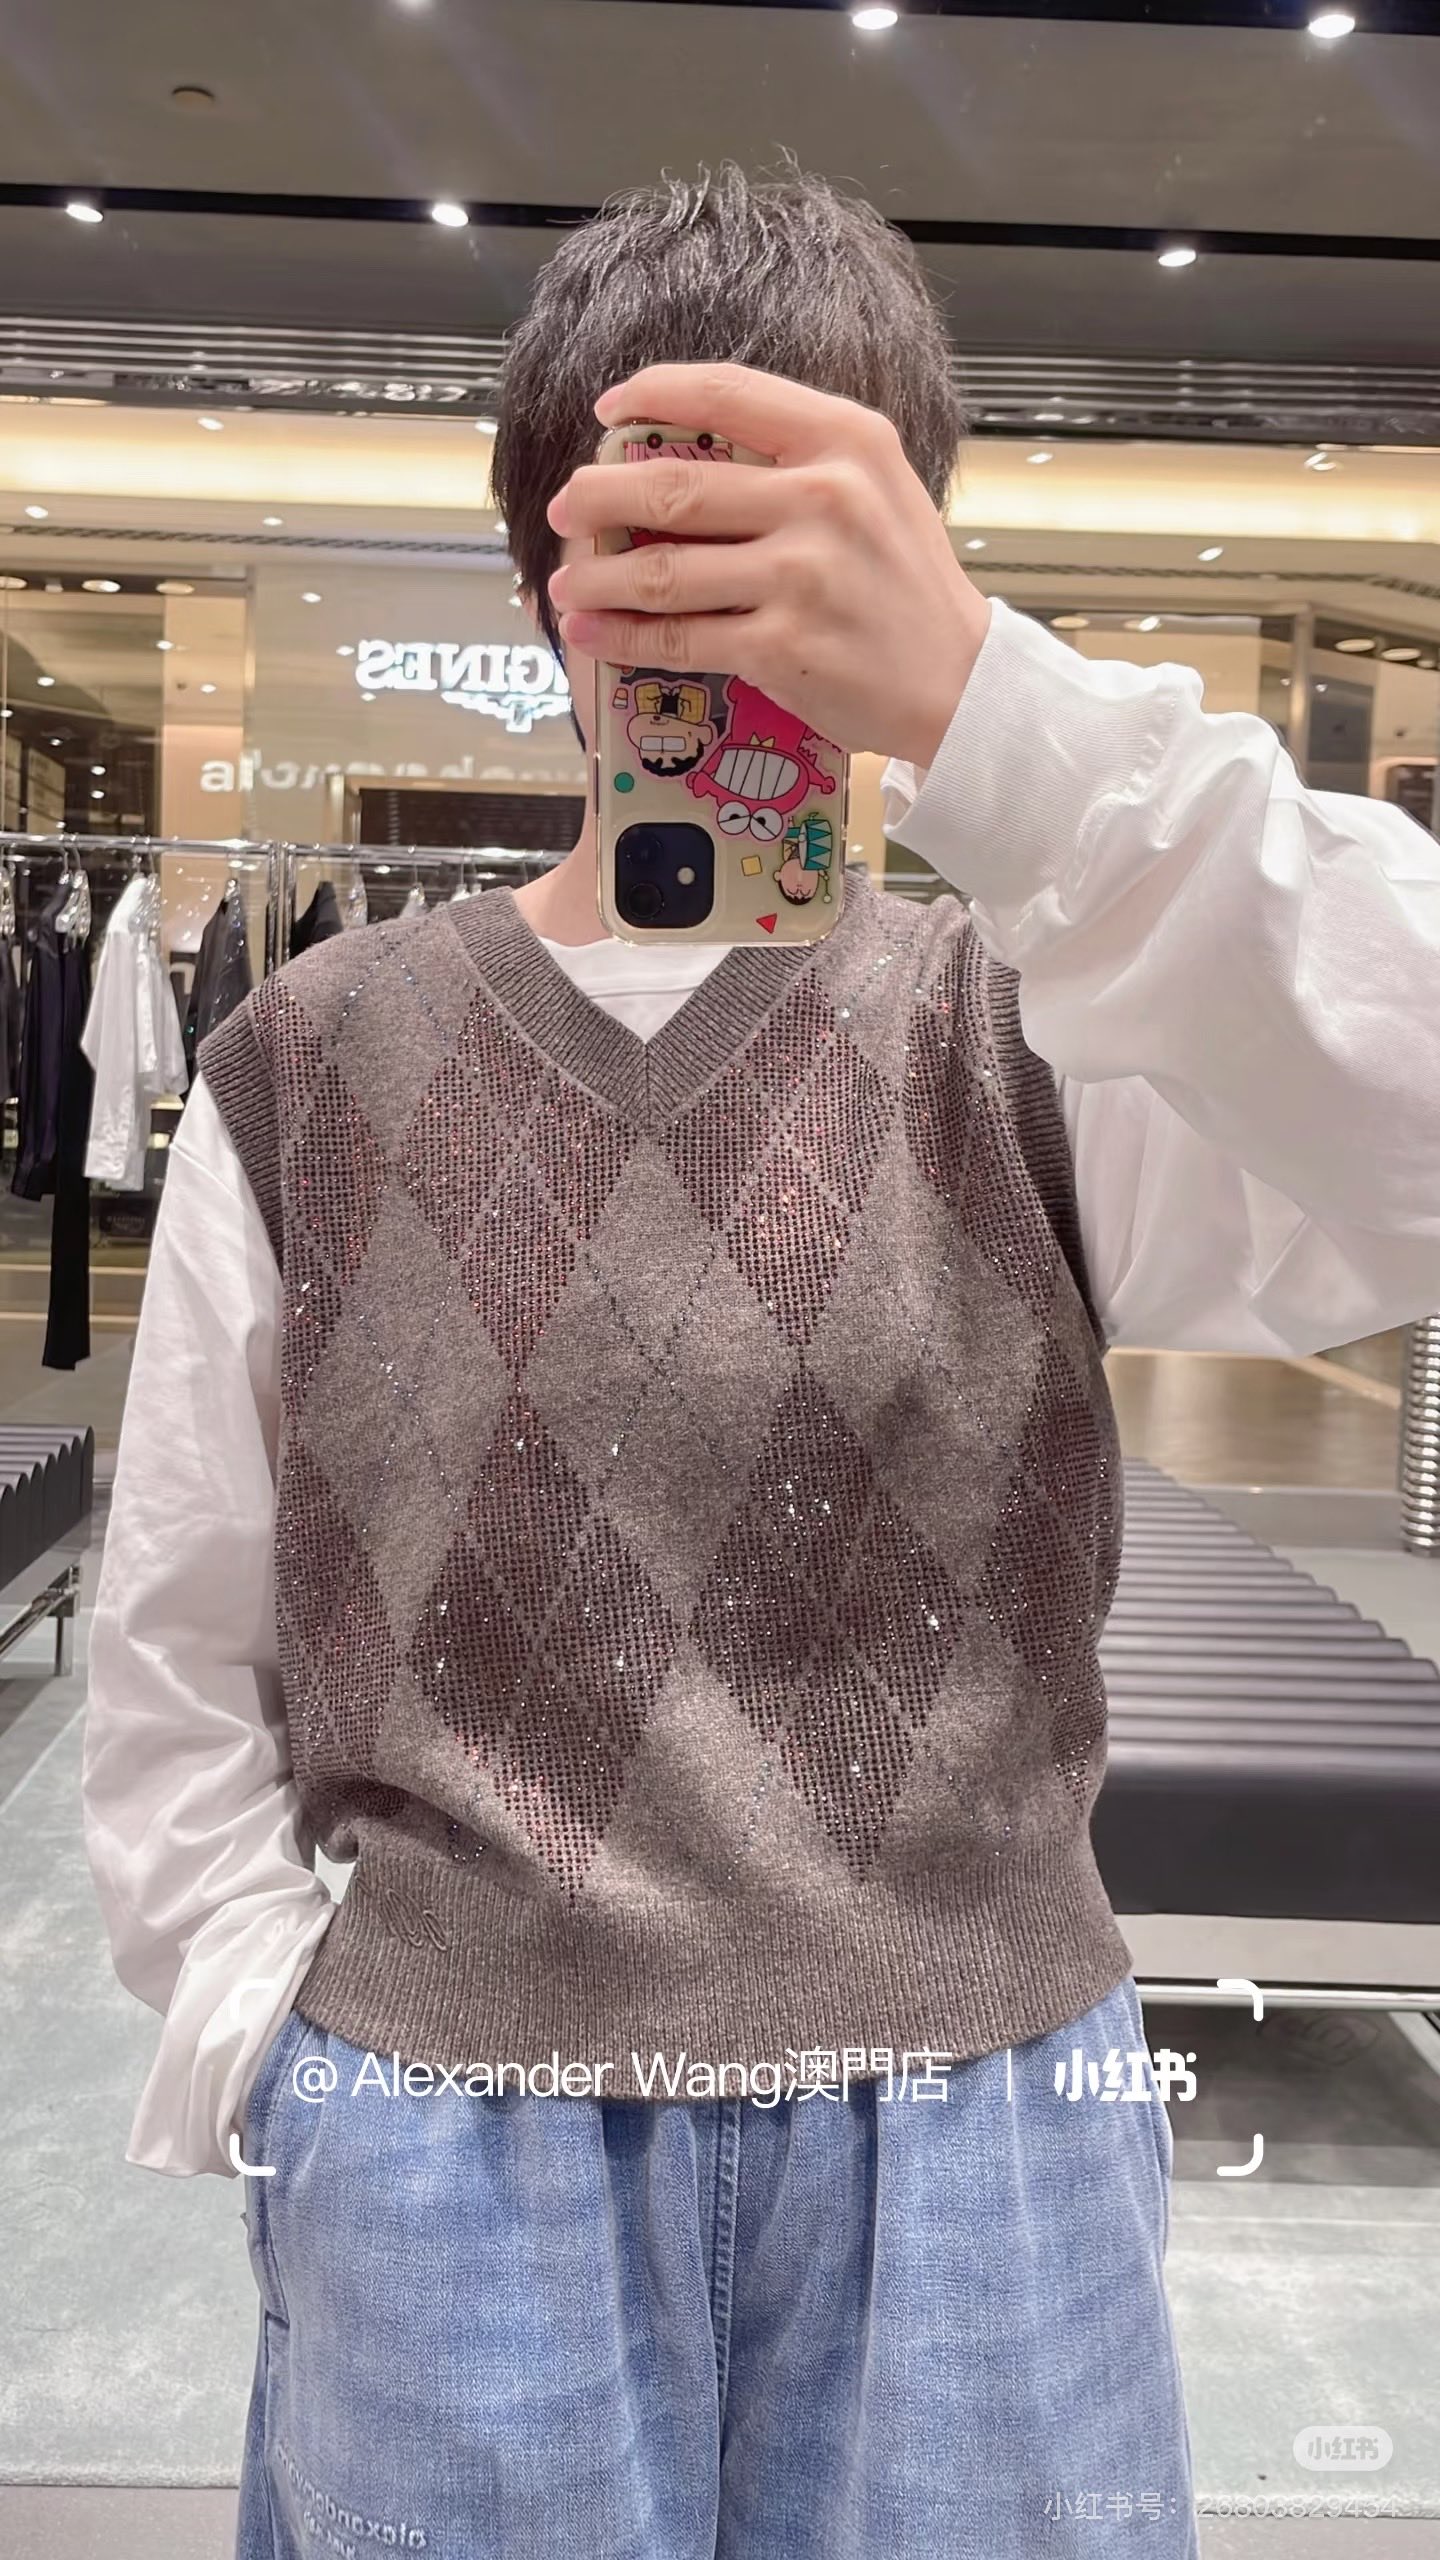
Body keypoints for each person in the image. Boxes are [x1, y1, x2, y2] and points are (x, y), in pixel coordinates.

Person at [82, 164, 1440, 2560]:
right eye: (657, 536)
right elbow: (182, 1637)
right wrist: (281, 2060)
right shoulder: (313, 1056)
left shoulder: (1047, 1016)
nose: (727, 607)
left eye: (808, 536)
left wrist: (1007, 717)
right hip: (445, 2138)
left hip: (987, 2149)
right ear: (547, 580)